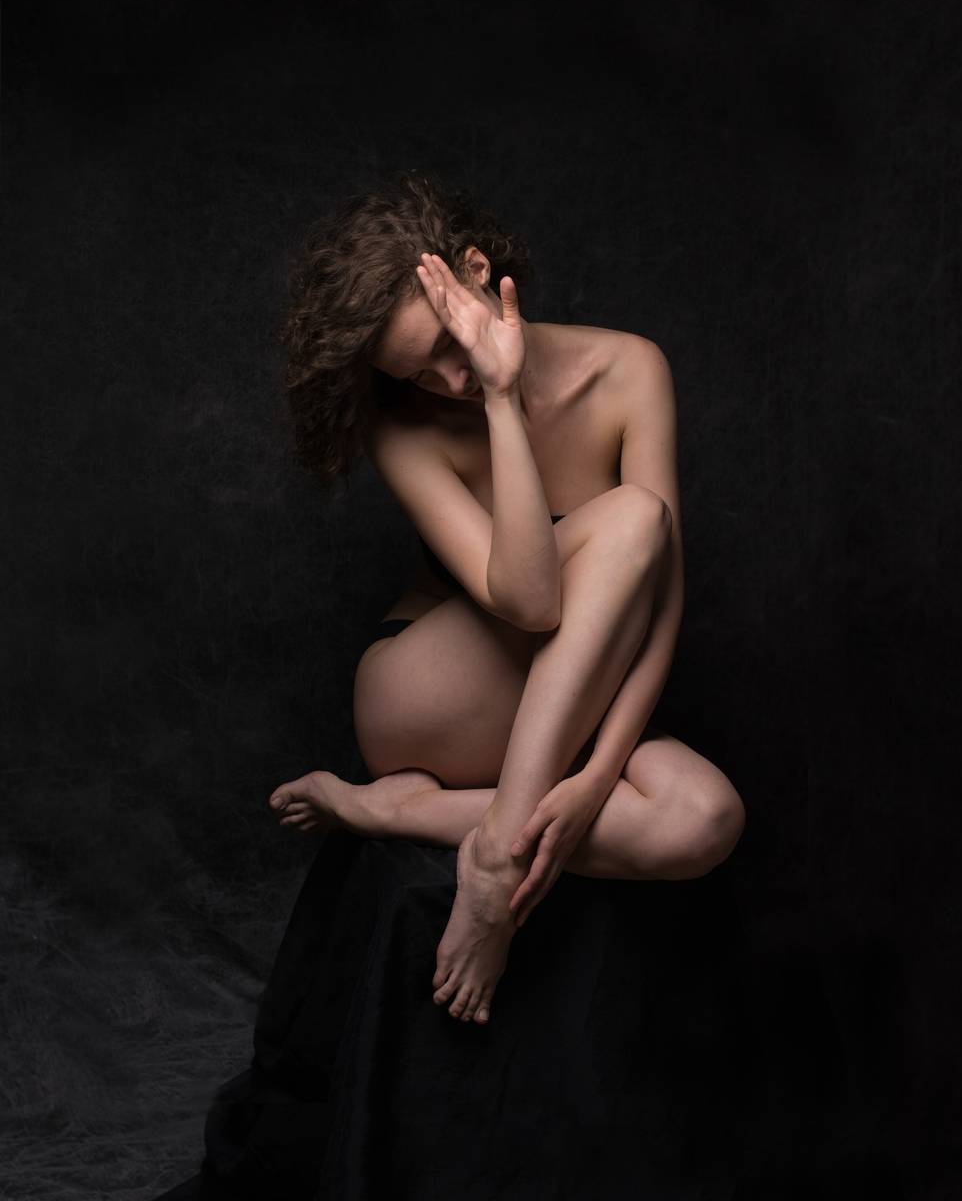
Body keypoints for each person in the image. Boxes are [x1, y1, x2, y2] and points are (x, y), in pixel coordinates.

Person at [268, 171, 746, 1030]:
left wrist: (596, 776)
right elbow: (526, 601)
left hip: (561, 696)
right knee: (633, 519)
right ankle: (491, 863)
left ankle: (408, 811)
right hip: (432, 694)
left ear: (478, 271)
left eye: (448, 348)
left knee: (702, 817)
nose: (445, 380)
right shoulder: (403, 424)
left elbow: (661, 604)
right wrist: (498, 396)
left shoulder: (629, 368)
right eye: (418, 373)